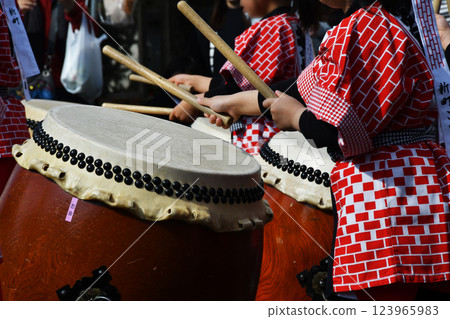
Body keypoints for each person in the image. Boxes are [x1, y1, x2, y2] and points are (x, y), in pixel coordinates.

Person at [198, 0, 450, 300]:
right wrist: (233, 102)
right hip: (413, 180)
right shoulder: (386, 22)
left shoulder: (361, 28)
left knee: (389, 302)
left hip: (386, 195)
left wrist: (296, 118)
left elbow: (334, 128)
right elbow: (301, 89)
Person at [169, 0, 321, 155]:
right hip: (283, 136)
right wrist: (195, 82)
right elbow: (253, 82)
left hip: (261, 138)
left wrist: (196, 102)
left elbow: (236, 87)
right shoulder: (294, 24)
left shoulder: (271, 29)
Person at [17, 0, 88, 102]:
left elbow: (90, 32)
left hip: (65, 85)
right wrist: (13, 13)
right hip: (21, 85)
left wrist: (71, 8)